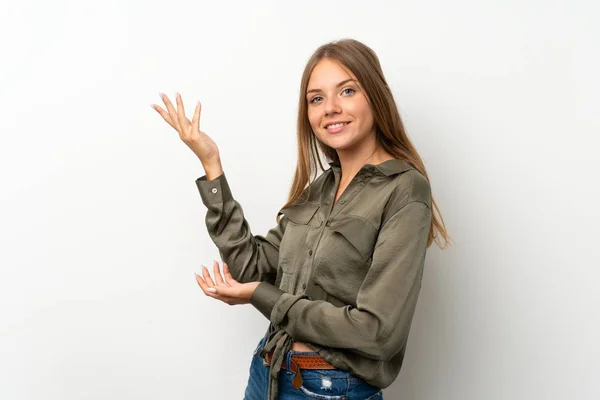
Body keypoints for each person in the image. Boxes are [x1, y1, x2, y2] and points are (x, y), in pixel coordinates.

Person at [152, 38, 451, 400]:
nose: (331, 108)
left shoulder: (405, 191)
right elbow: (251, 267)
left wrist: (264, 298)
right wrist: (212, 167)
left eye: (348, 90)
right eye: (317, 98)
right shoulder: (321, 188)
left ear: (375, 95)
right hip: (268, 374)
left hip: (328, 389)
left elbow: (378, 332)